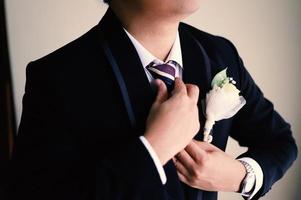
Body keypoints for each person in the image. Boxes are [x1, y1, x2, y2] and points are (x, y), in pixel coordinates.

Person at [6, 0, 297, 200]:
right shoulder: (58, 77)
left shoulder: (219, 54)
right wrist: (152, 151)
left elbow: (280, 142)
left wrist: (241, 176)